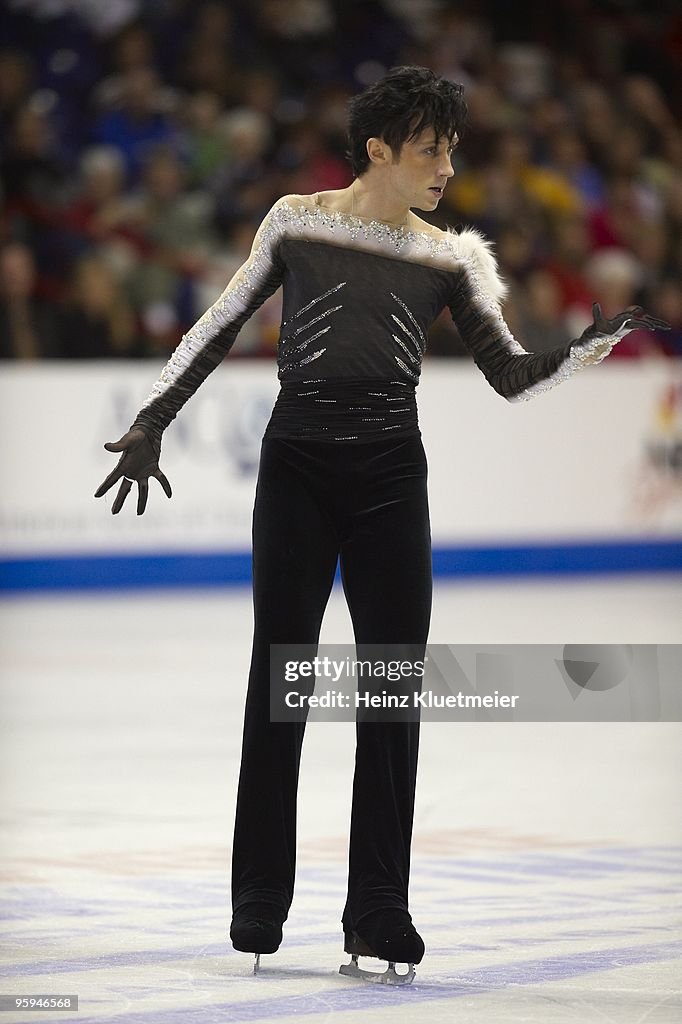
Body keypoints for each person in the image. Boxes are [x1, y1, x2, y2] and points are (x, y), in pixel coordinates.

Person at [94, 65, 668, 983]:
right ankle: (258, 899)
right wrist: (154, 417)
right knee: (281, 680)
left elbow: (510, 375)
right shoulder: (296, 219)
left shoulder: (453, 257)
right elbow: (218, 322)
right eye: (432, 151)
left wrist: (585, 350)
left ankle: (380, 910)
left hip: (393, 480)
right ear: (379, 149)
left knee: (392, 694)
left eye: (452, 152)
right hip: (297, 471)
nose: (448, 168)